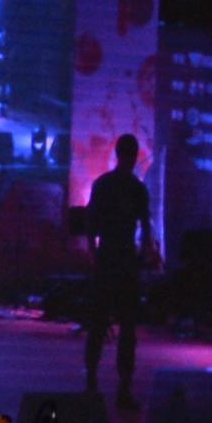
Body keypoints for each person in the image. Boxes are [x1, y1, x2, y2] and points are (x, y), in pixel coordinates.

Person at [84, 134, 150, 406]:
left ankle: (91, 381)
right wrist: (143, 257)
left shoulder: (103, 184)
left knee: (98, 324)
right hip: (125, 261)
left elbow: (90, 223)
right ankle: (124, 388)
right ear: (134, 157)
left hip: (107, 257)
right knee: (128, 328)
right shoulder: (137, 189)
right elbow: (145, 227)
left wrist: (93, 252)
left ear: (116, 153)